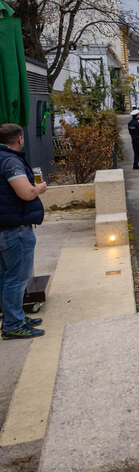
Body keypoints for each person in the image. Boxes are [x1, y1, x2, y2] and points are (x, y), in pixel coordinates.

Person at [0, 123, 46, 340]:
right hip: (15, 230)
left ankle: (13, 317)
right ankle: (13, 325)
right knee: (17, 279)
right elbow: (26, 193)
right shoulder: (11, 161)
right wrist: (39, 189)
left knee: (6, 277)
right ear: (19, 139)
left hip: (4, 228)